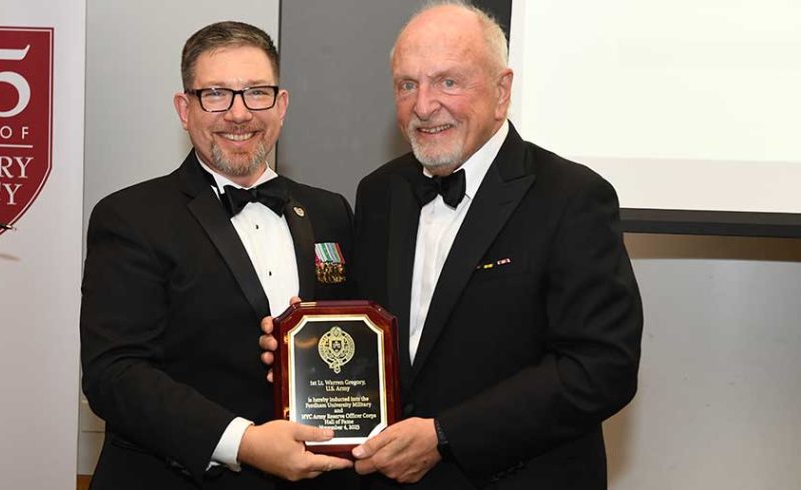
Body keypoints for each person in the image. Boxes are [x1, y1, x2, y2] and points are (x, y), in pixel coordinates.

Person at [261, 2, 642, 488]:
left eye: (448, 81)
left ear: (502, 91)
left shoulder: (572, 197)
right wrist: (302, 345)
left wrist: (446, 436)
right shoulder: (379, 193)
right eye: (406, 84)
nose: (423, 105)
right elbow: (364, 335)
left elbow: (601, 368)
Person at [81, 21, 355, 490]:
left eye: (256, 93)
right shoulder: (130, 217)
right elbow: (114, 375)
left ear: (281, 105)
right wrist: (243, 442)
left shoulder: (331, 211)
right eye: (216, 95)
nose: (239, 113)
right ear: (184, 110)